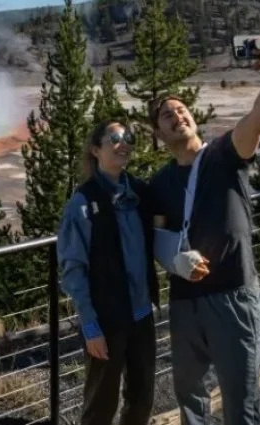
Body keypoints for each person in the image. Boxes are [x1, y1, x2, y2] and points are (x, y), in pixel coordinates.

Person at [148, 37, 260, 425]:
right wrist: (173, 262)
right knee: (189, 397)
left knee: (240, 401)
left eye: (181, 109)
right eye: (167, 115)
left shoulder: (225, 155)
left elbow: (259, 118)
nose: (177, 115)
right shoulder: (159, 183)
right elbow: (156, 238)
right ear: (159, 136)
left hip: (232, 295)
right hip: (183, 303)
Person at [56, 119, 163, 425]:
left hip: (142, 316)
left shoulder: (140, 193)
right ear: (95, 150)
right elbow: (73, 269)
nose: (123, 143)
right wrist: (90, 325)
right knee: (101, 405)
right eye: (114, 138)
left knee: (142, 399)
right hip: (106, 319)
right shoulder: (83, 203)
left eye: (127, 137)